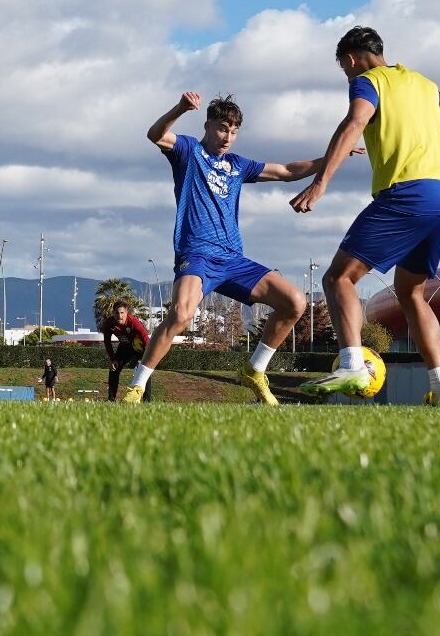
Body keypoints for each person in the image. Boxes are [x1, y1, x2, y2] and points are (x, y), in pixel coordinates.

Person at [121, 92, 348, 405]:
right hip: (197, 254)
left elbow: (286, 171)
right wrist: (180, 108)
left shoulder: (238, 165)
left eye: (233, 131)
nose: (227, 137)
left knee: (294, 302)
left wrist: (334, 156)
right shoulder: (189, 151)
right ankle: (136, 386)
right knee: (181, 314)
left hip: (232, 259)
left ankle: (254, 370)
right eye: (222, 128)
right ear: (208, 124)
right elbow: (155, 135)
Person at [291, 27, 440, 405]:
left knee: (339, 277)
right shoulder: (425, 84)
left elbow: (354, 123)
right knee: (410, 291)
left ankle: (352, 364)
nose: (347, 73)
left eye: (345, 68)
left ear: (351, 59)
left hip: (407, 194)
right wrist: (432, 156)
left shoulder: (367, 81)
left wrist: (321, 182)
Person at [101, 300, 150, 401]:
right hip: (125, 347)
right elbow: (107, 342)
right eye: (117, 313)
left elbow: (146, 339)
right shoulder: (109, 323)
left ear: (126, 312)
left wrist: (145, 358)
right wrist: (113, 359)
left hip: (139, 347)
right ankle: (111, 399)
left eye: (122, 313)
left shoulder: (134, 322)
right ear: (113, 313)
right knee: (114, 368)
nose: (119, 316)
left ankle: (146, 400)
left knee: (144, 370)